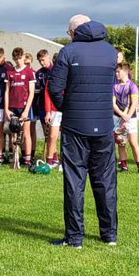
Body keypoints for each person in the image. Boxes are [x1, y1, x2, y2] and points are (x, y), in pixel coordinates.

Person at [46, 14, 118, 249]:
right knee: (105, 181)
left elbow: (55, 87)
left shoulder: (69, 51)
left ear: (74, 32)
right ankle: (109, 235)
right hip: (104, 125)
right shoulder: (110, 51)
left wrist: (68, 108)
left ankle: (75, 238)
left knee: (75, 181)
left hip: (76, 126)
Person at [5, 47, 36, 167]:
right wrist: (7, 109)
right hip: (13, 107)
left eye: (20, 58)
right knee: (14, 133)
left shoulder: (29, 72)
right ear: (13, 58)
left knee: (26, 133)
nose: (18, 61)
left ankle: (27, 159)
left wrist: (26, 110)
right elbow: (7, 91)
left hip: (24, 107)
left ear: (24, 57)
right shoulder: (10, 72)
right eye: (16, 58)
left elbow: (31, 93)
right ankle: (15, 157)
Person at [112, 62, 139, 174]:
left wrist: (127, 117)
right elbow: (113, 104)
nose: (116, 73)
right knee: (121, 141)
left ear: (125, 72)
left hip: (131, 117)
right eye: (116, 71)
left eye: (118, 71)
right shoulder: (114, 86)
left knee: (133, 141)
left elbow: (134, 103)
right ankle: (124, 166)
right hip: (118, 116)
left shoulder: (132, 86)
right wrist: (122, 115)